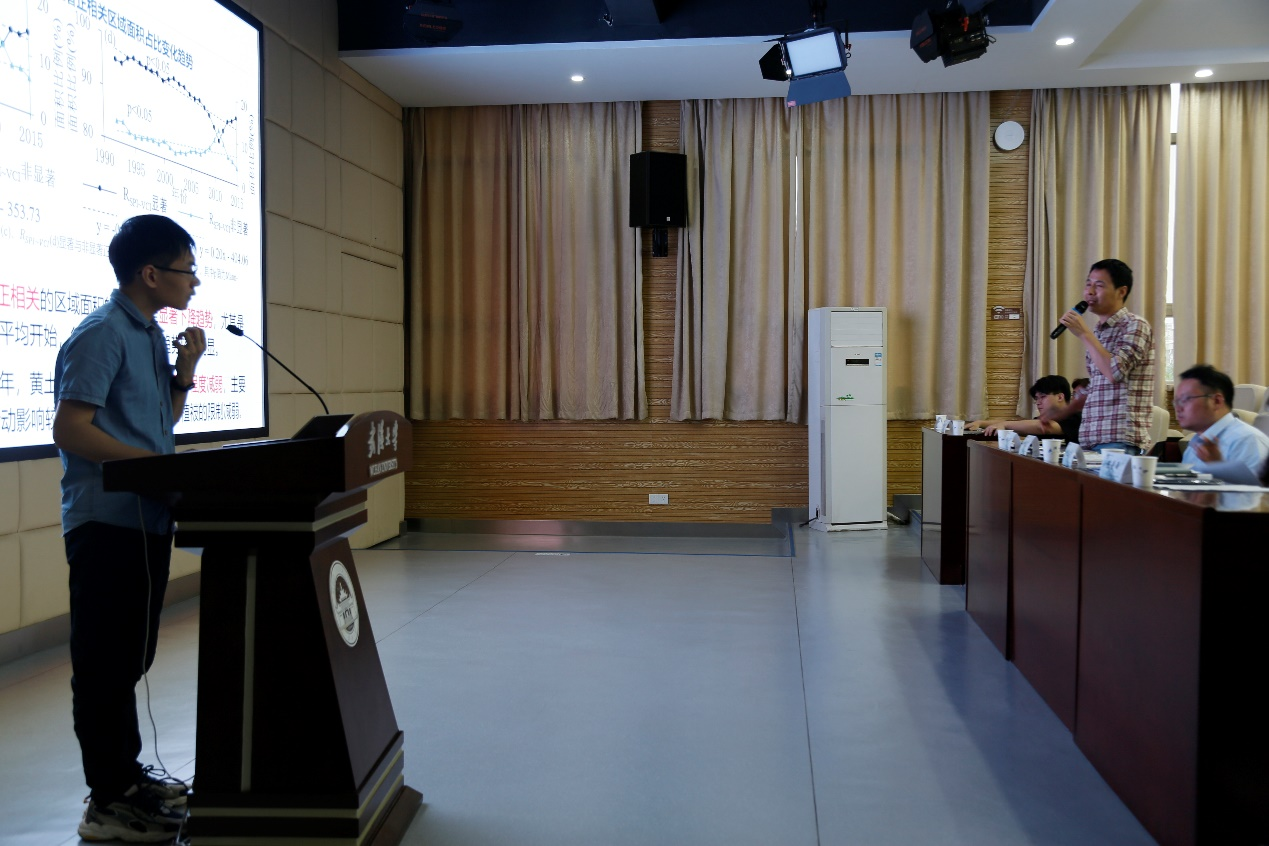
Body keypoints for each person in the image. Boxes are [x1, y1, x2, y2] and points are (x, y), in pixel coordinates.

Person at [52, 215, 206, 842]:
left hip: (147, 517)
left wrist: (185, 372)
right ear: (150, 273)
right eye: (186, 270)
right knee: (104, 665)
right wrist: (151, 471)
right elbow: (71, 429)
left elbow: (157, 425)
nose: (194, 282)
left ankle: (127, 780)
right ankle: (107, 804)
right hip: (106, 523)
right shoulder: (102, 333)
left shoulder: (149, 336)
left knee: (129, 658)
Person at [1041, 259, 1155, 454]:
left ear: (1121, 291)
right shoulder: (1099, 331)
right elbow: (1097, 386)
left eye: (1099, 286)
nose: (1090, 292)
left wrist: (1084, 334)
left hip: (1119, 439)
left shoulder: (1135, 325)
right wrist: (1063, 412)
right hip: (1092, 437)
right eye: (1088, 284)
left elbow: (1114, 372)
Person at [1175, 364, 1269, 484]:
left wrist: (1218, 466)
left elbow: (1256, 493)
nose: (1178, 408)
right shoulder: (1196, 441)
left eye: (1185, 399)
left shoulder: (1248, 440)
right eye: (1177, 401)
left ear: (1216, 401)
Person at [969, 374, 1082, 443]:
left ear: (1060, 397)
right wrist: (981, 423)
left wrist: (1005, 425)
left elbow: (1043, 427)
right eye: (1036, 398)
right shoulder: (1044, 419)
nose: (1038, 402)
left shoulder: (1075, 417)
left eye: (1043, 397)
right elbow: (1021, 424)